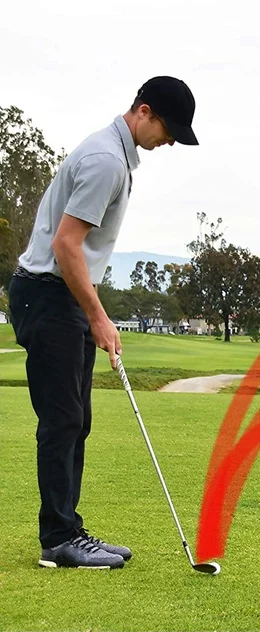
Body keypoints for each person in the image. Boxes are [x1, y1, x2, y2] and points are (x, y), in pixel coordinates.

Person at [9, 77, 199, 569]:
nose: (170, 141)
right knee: (62, 420)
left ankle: (69, 530)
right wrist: (98, 316)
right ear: (143, 111)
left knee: (78, 419)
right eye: (168, 128)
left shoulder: (116, 156)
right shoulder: (106, 161)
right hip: (48, 295)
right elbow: (65, 245)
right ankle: (58, 540)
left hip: (62, 295)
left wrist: (91, 310)